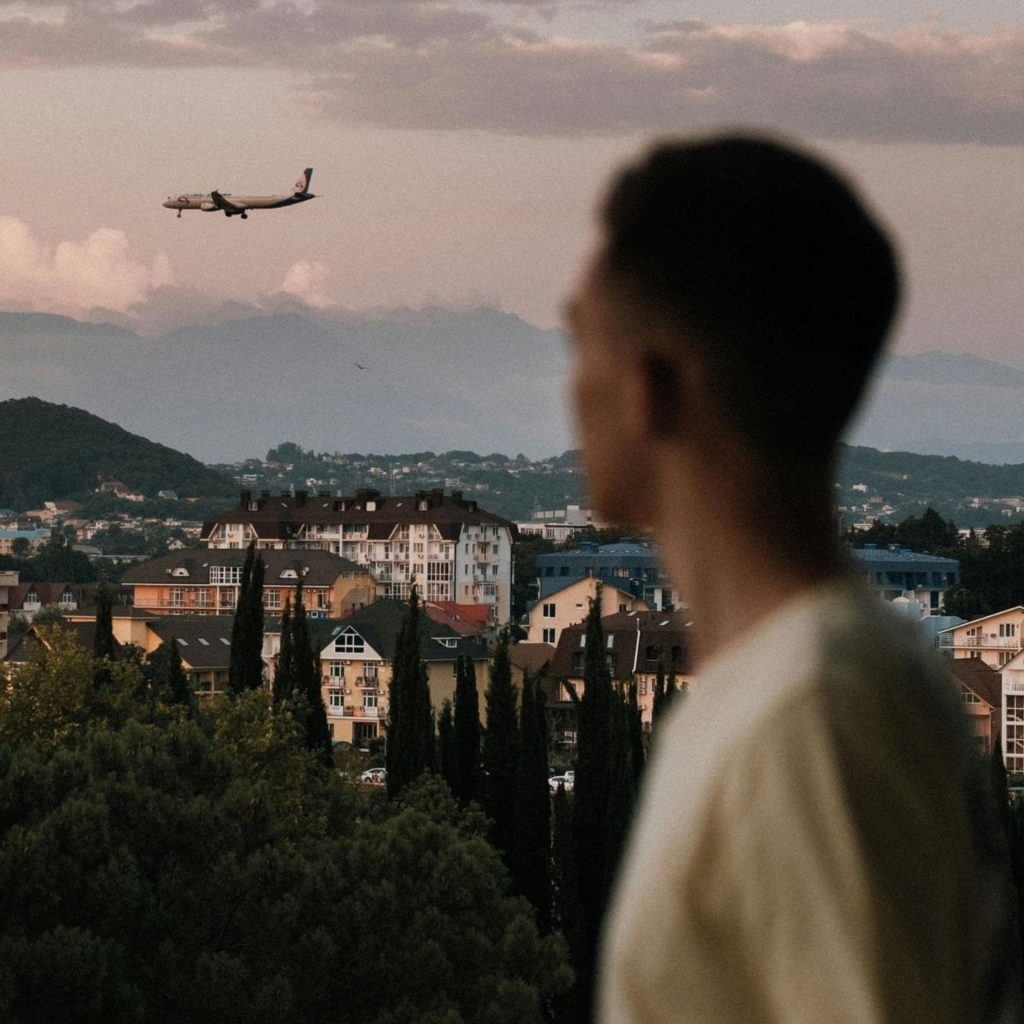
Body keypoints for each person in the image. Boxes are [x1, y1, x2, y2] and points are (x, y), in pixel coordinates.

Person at [563, 133, 1018, 1023]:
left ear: (652, 384)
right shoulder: (828, 676)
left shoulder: (807, 720)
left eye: (579, 340)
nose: (570, 386)